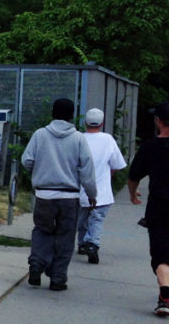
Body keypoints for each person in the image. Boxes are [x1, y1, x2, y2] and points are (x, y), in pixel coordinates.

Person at [22, 97, 97, 291]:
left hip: (44, 195)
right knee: (65, 236)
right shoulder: (79, 138)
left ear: (52, 113)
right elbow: (87, 170)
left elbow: (26, 160)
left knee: (42, 230)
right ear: (72, 116)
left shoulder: (40, 135)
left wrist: (40, 170)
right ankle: (58, 277)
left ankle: (36, 264)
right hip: (69, 197)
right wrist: (91, 194)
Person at [128, 101, 169, 317]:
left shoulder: (150, 148)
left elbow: (134, 176)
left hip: (160, 208)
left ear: (158, 121)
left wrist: (133, 193)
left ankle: (165, 296)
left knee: (162, 256)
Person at [76, 108, 127, 264]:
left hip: (80, 190)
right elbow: (117, 164)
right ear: (102, 123)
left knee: (82, 219)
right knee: (97, 219)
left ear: (85, 123)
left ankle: (82, 243)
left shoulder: (79, 139)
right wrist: (108, 176)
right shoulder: (108, 139)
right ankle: (93, 244)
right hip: (101, 192)